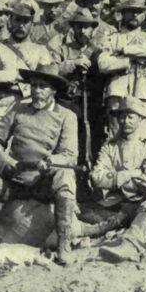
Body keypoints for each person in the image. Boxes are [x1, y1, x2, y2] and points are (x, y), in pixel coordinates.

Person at [0, 64, 78, 264]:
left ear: (54, 91)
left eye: (43, 87)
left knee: (66, 176)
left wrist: (50, 162)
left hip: (44, 184)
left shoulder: (67, 116)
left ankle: (63, 243)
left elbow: (69, 155)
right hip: (15, 181)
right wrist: (8, 163)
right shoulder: (17, 110)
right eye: (33, 86)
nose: (36, 91)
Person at [90, 97, 146, 263]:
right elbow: (96, 177)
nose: (125, 121)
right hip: (116, 202)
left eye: (131, 117)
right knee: (87, 215)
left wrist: (116, 180)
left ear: (139, 120)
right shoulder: (110, 146)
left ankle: (129, 245)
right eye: (122, 117)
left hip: (143, 200)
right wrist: (130, 174)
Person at [49, 9, 108, 172]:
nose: (82, 31)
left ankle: (90, 177)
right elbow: (51, 70)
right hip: (68, 102)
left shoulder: (99, 52)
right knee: (68, 140)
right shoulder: (62, 50)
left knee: (93, 140)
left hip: (93, 103)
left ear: (93, 29)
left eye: (87, 27)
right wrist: (72, 63)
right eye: (78, 27)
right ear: (72, 28)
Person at [98, 0, 146, 140]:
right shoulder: (113, 38)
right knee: (115, 137)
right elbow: (103, 63)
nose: (135, 15)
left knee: (144, 137)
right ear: (123, 13)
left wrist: (124, 50)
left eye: (139, 12)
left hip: (144, 93)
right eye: (131, 11)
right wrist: (127, 62)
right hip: (118, 93)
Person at [0, 3, 53, 129]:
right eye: (17, 20)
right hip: (1, 109)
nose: (21, 26)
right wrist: (17, 75)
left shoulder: (41, 51)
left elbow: (47, 82)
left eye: (26, 21)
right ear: (10, 21)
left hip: (30, 109)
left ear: (32, 25)